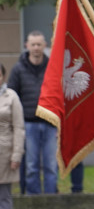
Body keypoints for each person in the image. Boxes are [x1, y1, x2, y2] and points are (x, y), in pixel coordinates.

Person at [8, 31, 56, 195]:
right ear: (26, 46)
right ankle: (33, 200)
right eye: (33, 44)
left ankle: (51, 201)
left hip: (50, 124)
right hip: (28, 124)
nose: (36, 48)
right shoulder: (18, 69)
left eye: (39, 44)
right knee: (31, 165)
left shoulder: (52, 68)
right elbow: (12, 97)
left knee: (51, 165)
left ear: (45, 46)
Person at [0, 63, 25, 209]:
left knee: (4, 195)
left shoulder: (12, 97)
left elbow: (19, 127)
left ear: (3, 76)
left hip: (5, 152)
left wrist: (17, 154)